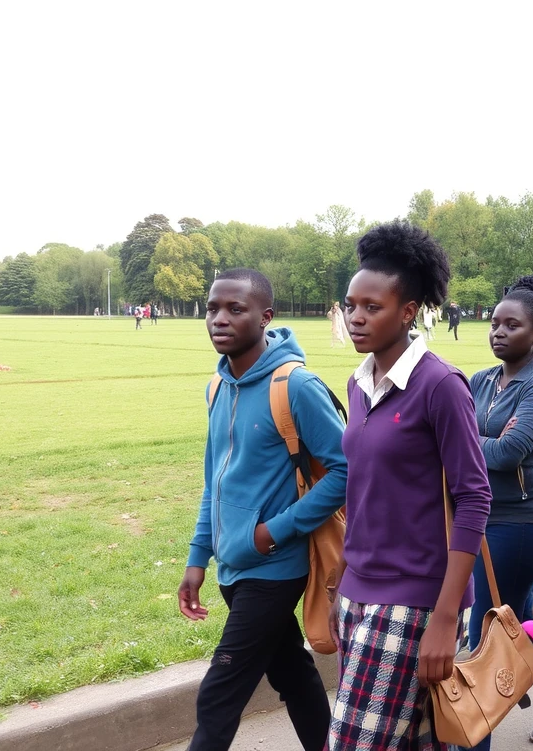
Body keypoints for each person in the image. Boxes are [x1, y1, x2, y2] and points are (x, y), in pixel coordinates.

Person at [328, 221, 492, 751]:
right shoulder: (358, 384)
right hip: (360, 592)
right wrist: (342, 583)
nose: (356, 317)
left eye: (372, 307)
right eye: (351, 304)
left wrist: (446, 618)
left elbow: (474, 498)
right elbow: (365, 493)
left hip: (416, 602)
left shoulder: (439, 386)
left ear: (408, 310)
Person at [179, 269, 348, 751]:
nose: (220, 319)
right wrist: (197, 558)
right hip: (234, 563)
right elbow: (215, 481)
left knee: (220, 692)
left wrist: (272, 532)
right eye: (213, 308)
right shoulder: (217, 387)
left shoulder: (294, 385)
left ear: (265, 317)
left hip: (276, 564)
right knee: (292, 674)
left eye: (236, 309)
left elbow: (346, 470)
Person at [466, 275, 533, 749]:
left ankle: (470, 734)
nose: (498, 332)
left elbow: (508, 453)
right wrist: (482, 442)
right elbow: (452, 439)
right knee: (519, 624)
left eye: (512, 325)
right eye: (494, 322)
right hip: (477, 516)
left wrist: (471, 442)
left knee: (484, 629)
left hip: (521, 523)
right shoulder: (481, 380)